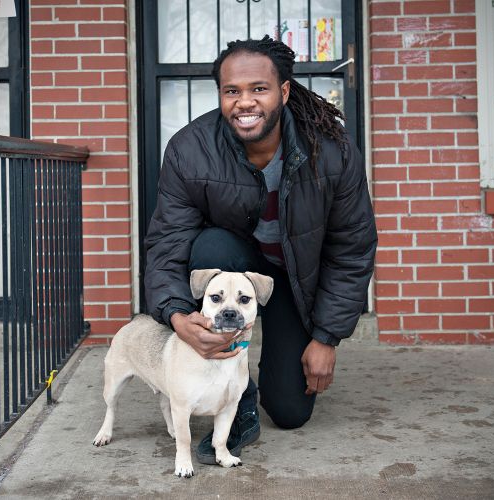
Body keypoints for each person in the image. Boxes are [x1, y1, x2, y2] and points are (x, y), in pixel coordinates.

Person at [144, 36, 377, 464]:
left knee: (290, 411)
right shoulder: (190, 150)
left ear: (284, 92)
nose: (244, 102)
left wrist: (327, 337)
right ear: (220, 95)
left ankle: (267, 379)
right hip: (234, 274)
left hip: (295, 282)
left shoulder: (331, 151)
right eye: (232, 91)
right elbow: (168, 244)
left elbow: (352, 249)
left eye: (259, 89)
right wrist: (177, 315)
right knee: (211, 244)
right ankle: (238, 398)